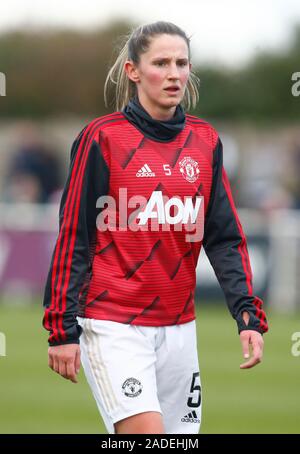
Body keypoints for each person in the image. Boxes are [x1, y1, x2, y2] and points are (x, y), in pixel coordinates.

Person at [42, 21, 268, 435]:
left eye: (181, 63)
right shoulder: (102, 138)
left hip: (180, 328)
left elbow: (224, 237)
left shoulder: (206, 141)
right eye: (160, 63)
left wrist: (247, 315)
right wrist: (62, 327)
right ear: (133, 71)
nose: (173, 73)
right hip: (113, 324)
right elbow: (74, 236)